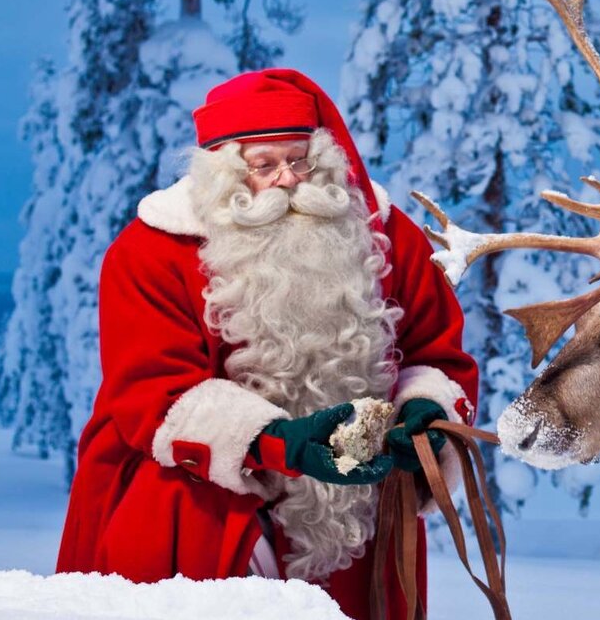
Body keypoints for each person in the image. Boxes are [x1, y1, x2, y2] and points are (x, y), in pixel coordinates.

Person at [56, 69, 479, 620]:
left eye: (300, 160)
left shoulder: (385, 234)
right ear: (223, 172)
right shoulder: (149, 252)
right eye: (264, 165)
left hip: (356, 512)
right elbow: (152, 395)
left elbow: (436, 352)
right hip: (206, 505)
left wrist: (423, 410)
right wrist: (279, 441)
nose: (287, 180)